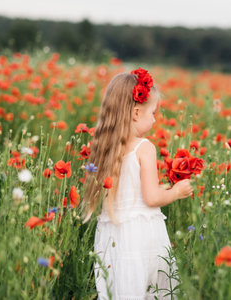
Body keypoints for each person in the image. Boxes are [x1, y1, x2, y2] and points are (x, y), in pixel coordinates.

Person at [80, 68, 193, 300]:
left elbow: (129, 195)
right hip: (141, 236)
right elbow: (151, 198)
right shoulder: (145, 148)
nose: (154, 119)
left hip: (112, 236)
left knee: (120, 291)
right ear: (136, 112)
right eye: (152, 113)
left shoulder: (105, 150)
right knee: (149, 290)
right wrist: (176, 192)